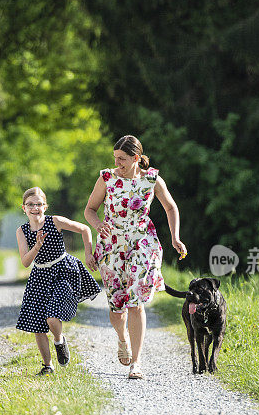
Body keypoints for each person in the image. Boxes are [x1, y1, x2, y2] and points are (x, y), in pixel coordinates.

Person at [84, 135, 187, 379]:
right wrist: (98, 225)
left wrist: (175, 237)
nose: (117, 162)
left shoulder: (152, 179)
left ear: (136, 159)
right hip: (111, 246)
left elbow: (171, 207)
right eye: (115, 158)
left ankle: (137, 363)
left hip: (142, 243)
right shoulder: (106, 178)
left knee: (136, 302)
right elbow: (89, 210)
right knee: (117, 308)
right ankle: (122, 339)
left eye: (122, 158)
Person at [16, 187, 101, 375]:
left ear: (45, 206)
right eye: (30, 204)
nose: (34, 208)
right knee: (37, 325)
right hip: (39, 276)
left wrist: (88, 253)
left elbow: (85, 229)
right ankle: (48, 366)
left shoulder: (55, 221)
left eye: (38, 204)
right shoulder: (22, 231)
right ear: (24, 208)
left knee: (52, 318)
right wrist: (37, 246)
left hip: (63, 271)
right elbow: (25, 262)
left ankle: (59, 340)